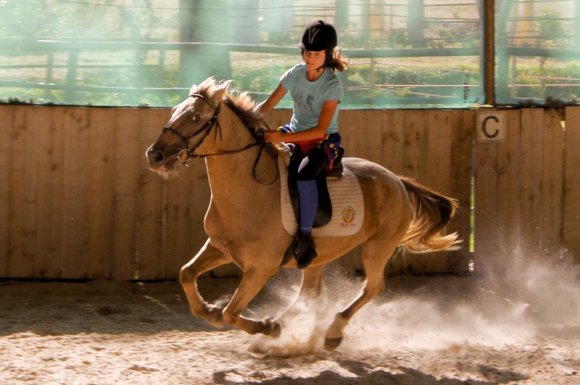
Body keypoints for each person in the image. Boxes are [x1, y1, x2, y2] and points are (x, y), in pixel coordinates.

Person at [255, 20, 348, 269]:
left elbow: (319, 129)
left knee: (305, 175)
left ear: (327, 55)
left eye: (316, 53)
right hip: (292, 132)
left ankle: (305, 237)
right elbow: (267, 106)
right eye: (307, 52)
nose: (309, 57)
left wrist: (280, 138)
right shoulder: (295, 73)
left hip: (322, 142)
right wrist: (250, 121)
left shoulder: (332, 86)